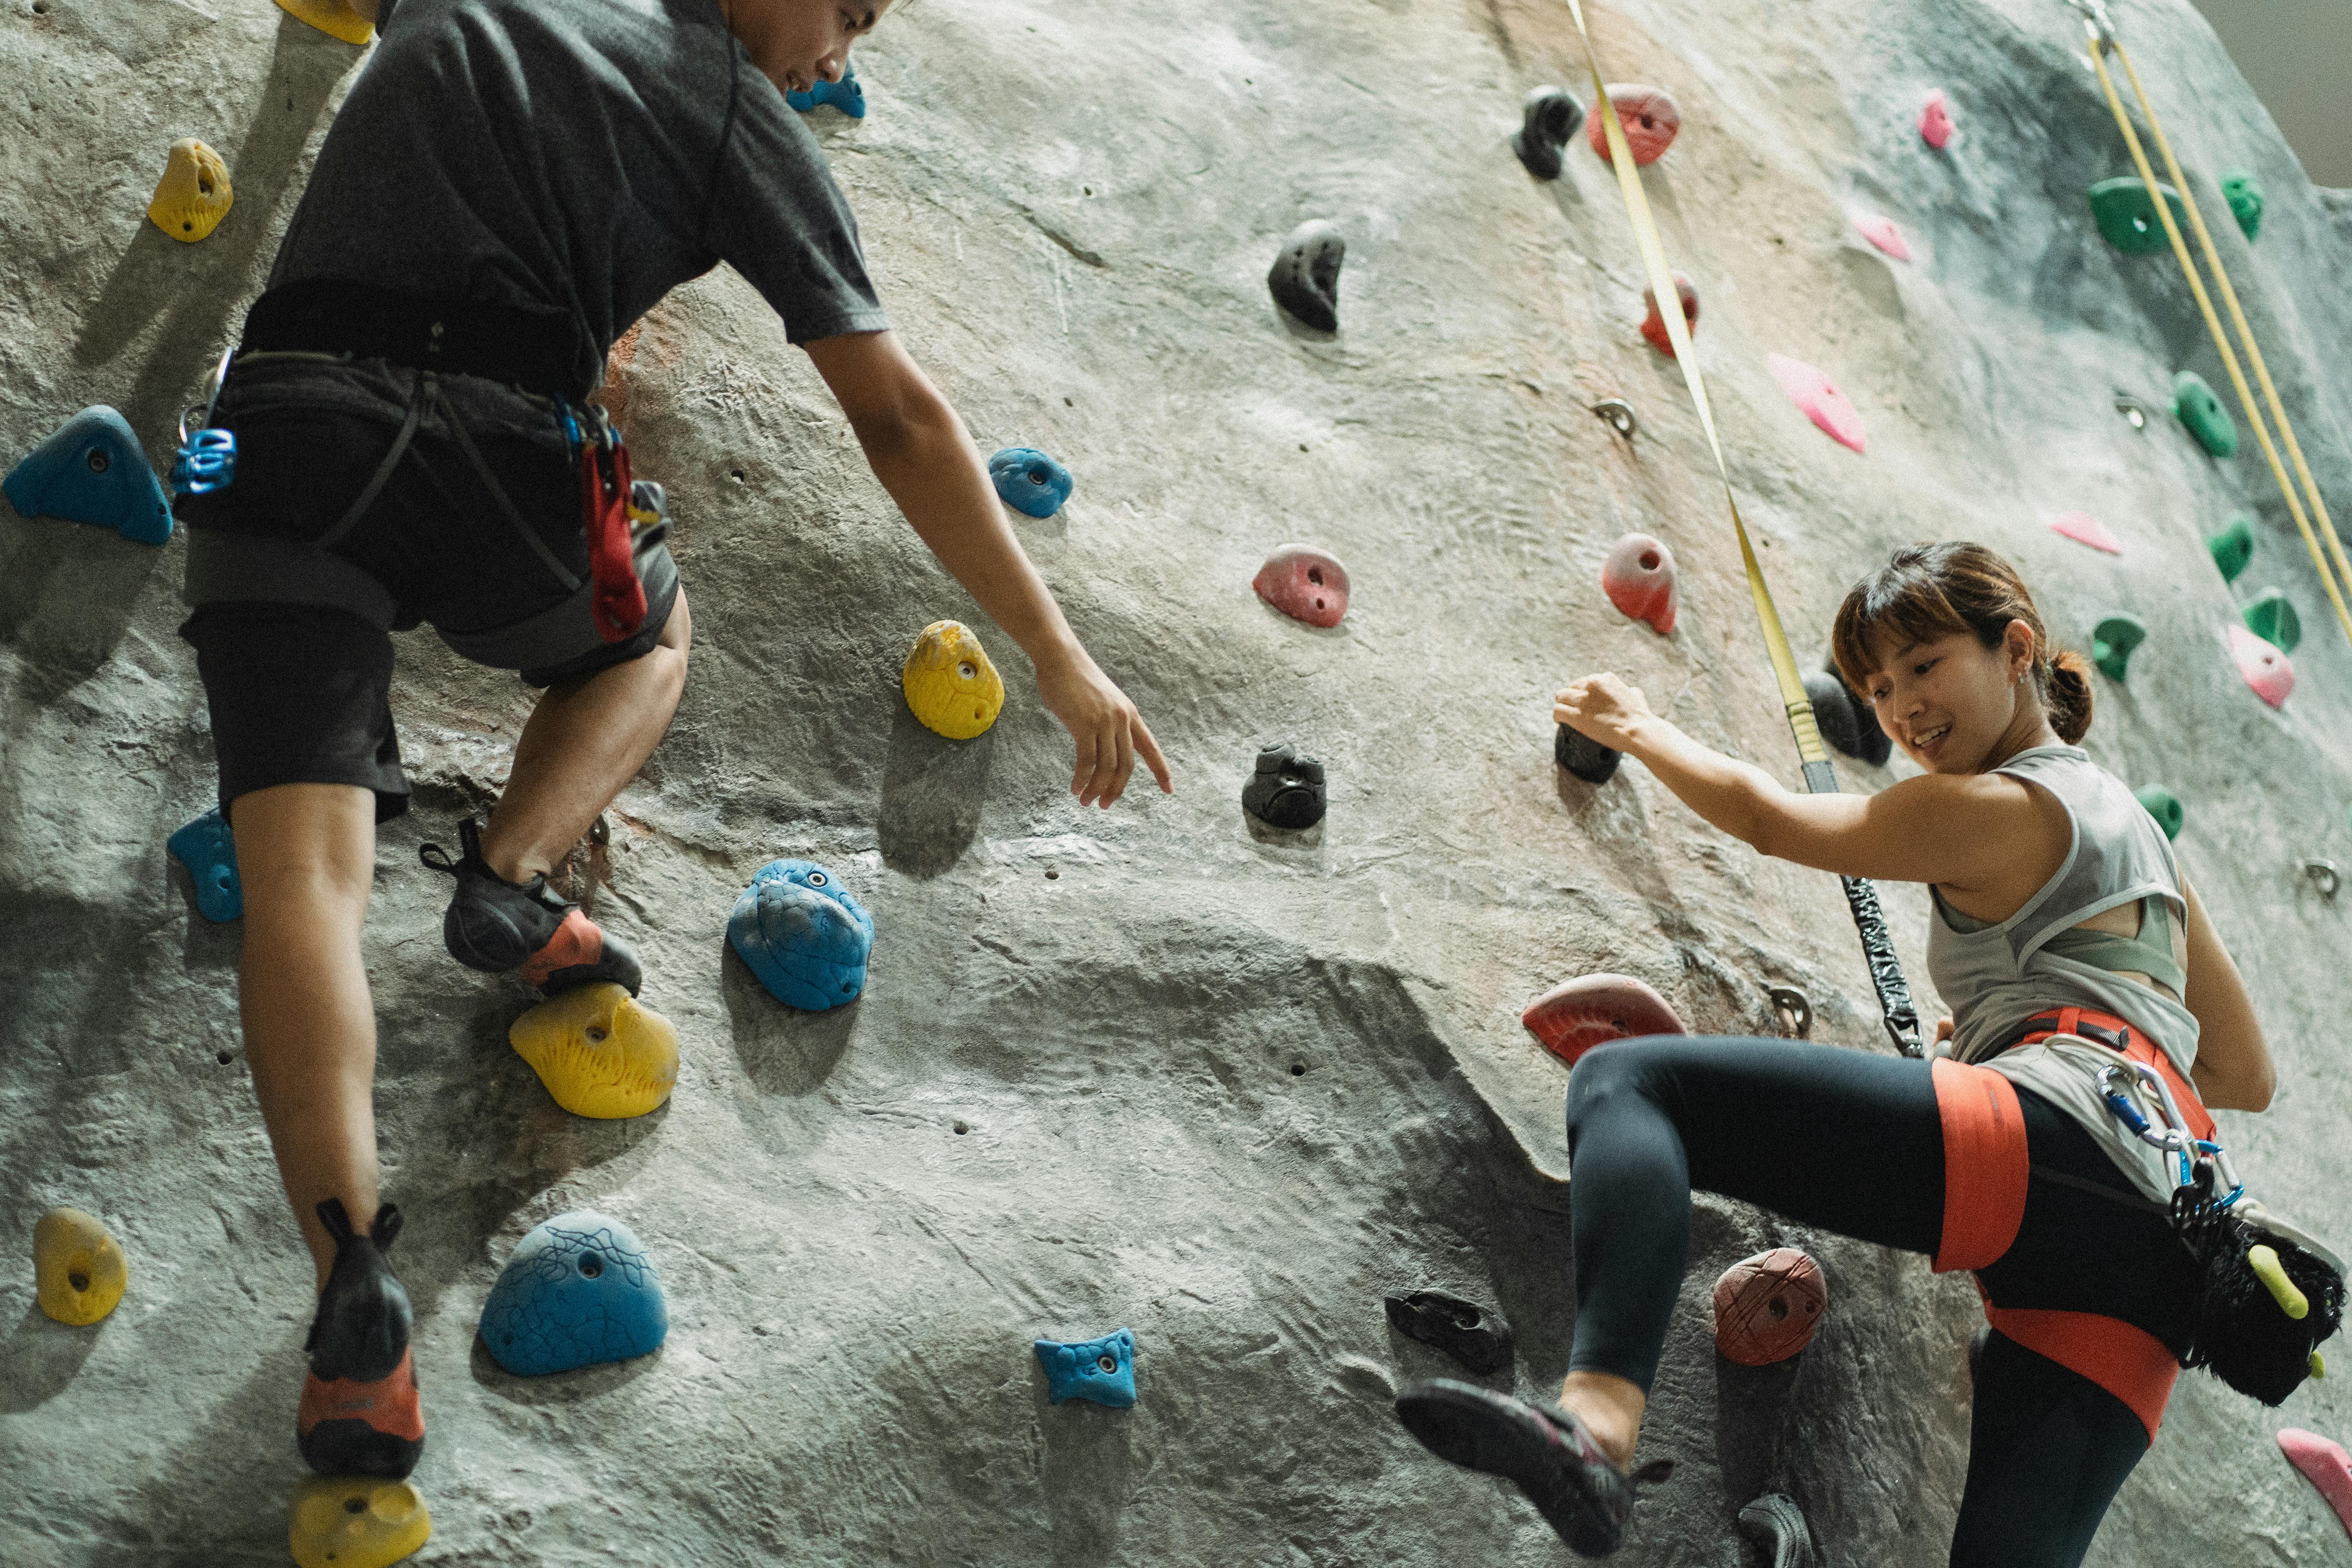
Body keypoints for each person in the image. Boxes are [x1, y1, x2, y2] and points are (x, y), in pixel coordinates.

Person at [177, 0, 1170, 1480]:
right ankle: (512, 871)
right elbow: (897, 416)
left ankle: (349, 1292)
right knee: (654, 633)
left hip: (287, 437)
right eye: (846, 14)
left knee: (302, 878)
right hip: (503, 465)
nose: (840, 57)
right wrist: (1062, 653)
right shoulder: (727, 108)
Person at [1392, 542, 2277, 1565]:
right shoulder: (2143, 845)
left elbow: (1770, 819)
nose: (1902, 708)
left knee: (1632, 1083)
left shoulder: (1991, 804)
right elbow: (2240, 1076)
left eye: (1924, 665)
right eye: (1879, 687)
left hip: (2052, 1149)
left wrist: (1636, 725)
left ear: (2017, 648)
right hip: (2173, 1243)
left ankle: (1594, 1429)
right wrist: (2029, 1028)